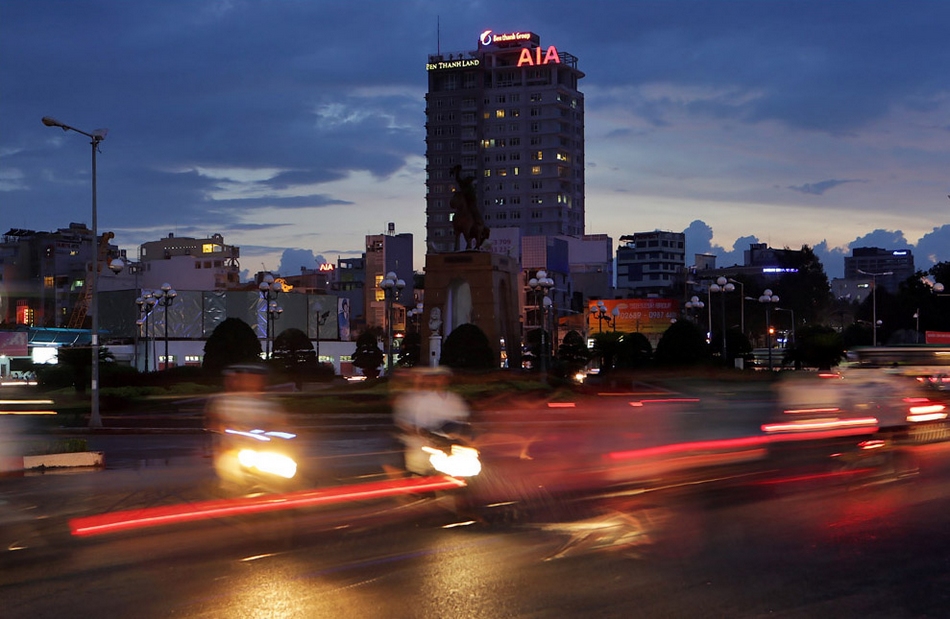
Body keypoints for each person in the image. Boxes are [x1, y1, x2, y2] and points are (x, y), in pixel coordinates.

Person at [391, 366, 470, 476]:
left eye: (444, 378)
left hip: (452, 442)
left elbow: (462, 420)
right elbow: (418, 425)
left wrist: (459, 435)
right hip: (429, 440)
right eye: (438, 377)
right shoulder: (423, 400)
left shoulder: (454, 399)